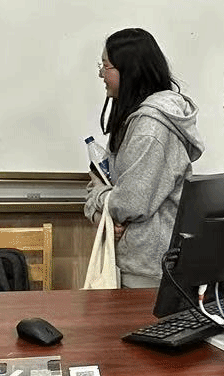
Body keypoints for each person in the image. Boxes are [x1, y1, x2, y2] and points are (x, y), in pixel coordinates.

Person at [85, 28, 202, 289]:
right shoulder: (135, 119)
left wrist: (99, 197)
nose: (101, 74)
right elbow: (112, 189)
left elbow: (130, 203)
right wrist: (99, 210)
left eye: (106, 66)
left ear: (130, 70)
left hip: (151, 270)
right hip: (138, 262)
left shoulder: (151, 127)